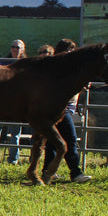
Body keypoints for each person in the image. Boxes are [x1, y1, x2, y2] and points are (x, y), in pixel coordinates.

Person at [43, 38, 91, 183]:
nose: (72, 53)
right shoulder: (58, 67)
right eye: (69, 50)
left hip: (64, 108)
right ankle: (75, 173)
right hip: (60, 108)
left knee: (52, 141)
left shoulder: (65, 66)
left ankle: (48, 172)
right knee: (70, 140)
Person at [0, 39, 27, 164]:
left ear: (23, 50)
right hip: (0, 103)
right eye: (13, 46)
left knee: (15, 134)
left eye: (18, 47)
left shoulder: (25, 64)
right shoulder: (3, 62)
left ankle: (13, 159)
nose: (15, 49)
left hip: (16, 104)